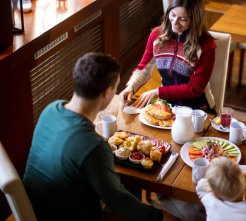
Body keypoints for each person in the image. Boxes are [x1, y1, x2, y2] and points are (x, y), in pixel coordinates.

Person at [23, 53, 163, 221]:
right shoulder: (93, 147)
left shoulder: (51, 110)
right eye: (116, 88)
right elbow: (119, 202)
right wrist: (156, 216)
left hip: (36, 209)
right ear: (107, 92)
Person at [120, 0, 217, 112]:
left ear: (194, 21)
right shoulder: (156, 35)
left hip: (197, 108)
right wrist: (131, 87)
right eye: (173, 15)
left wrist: (158, 92)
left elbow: (195, 88)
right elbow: (143, 69)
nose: (175, 22)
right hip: (167, 105)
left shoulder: (206, 45)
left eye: (183, 19)